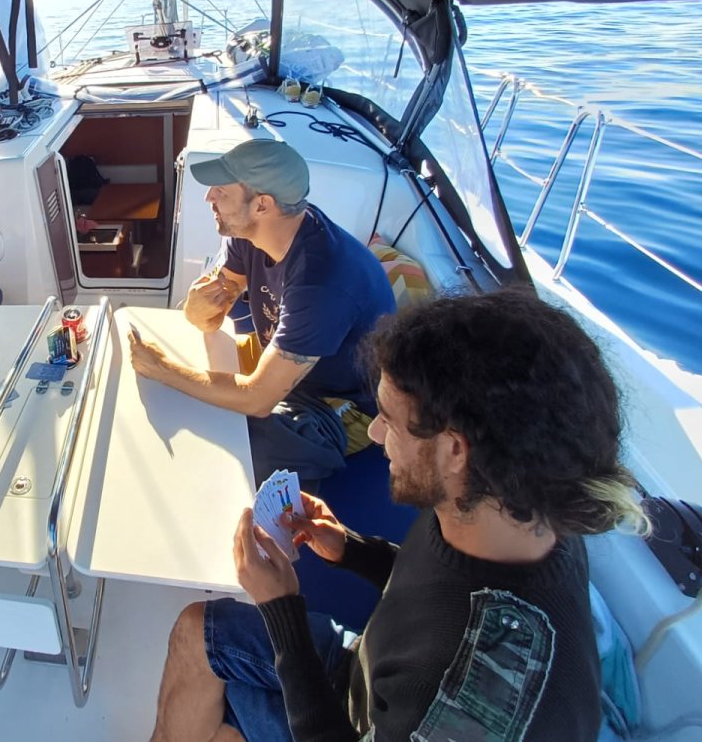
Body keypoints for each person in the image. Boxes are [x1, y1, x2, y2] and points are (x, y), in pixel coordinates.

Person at [150, 288, 649, 742]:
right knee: (199, 629)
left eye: (389, 421)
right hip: (369, 677)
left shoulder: (473, 700)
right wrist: (350, 549)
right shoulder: (514, 506)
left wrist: (281, 609)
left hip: (362, 725)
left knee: (214, 706)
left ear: (454, 450)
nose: (374, 435)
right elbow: (437, 588)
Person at [129, 139, 395, 486]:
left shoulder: (322, 280)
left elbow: (258, 400)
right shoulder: (248, 234)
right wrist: (195, 308)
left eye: (222, 191)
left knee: (229, 438)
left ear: (262, 205)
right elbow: (208, 316)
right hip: (282, 367)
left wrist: (161, 368)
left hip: (338, 401)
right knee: (195, 395)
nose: (209, 197)